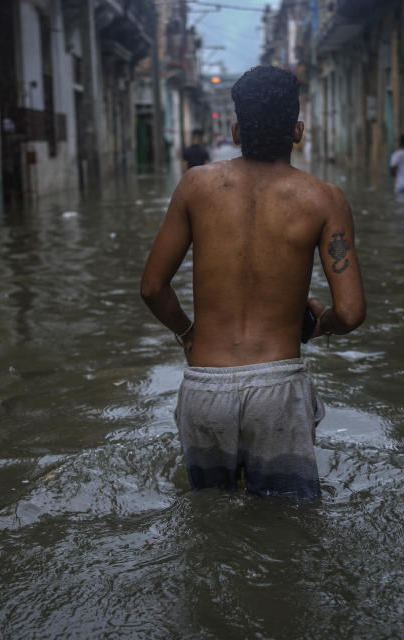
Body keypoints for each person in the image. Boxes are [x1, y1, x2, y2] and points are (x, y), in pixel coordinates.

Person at [140, 66, 366, 501]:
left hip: (204, 386)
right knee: (288, 532)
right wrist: (320, 323)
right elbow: (351, 312)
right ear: (298, 131)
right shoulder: (324, 198)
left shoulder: (195, 186)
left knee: (208, 523)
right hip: (278, 390)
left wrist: (188, 334)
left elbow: (152, 287)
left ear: (236, 129)